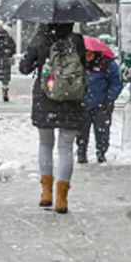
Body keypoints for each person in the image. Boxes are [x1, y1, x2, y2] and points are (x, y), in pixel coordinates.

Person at [19, 23, 87, 214]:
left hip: (45, 97)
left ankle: (46, 193)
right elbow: (84, 68)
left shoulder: (40, 40)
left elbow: (24, 68)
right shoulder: (77, 41)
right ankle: (62, 199)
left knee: (45, 144)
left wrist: (37, 59)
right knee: (66, 147)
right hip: (72, 99)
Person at [77, 46, 123, 164]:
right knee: (81, 130)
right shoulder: (78, 64)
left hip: (102, 104)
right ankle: (81, 152)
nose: (88, 58)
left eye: (90, 55)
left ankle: (101, 152)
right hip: (82, 104)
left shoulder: (107, 64)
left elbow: (116, 82)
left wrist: (109, 98)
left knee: (102, 130)